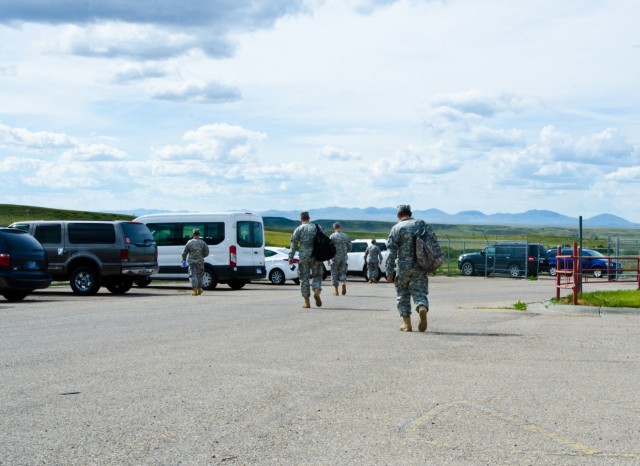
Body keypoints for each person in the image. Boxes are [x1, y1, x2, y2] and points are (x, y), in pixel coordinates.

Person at [385, 205, 429, 332]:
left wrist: (389, 272)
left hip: (403, 268)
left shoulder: (396, 228)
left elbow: (390, 252)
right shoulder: (421, 225)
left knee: (403, 294)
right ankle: (422, 307)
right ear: (410, 213)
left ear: (398, 215)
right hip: (420, 266)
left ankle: (407, 324)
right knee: (419, 291)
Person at [289, 211, 324, 308]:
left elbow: (293, 245)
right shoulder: (318, 227)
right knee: (317, 275)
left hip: (304, 256)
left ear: (301, 219)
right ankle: (316, 289)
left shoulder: (298, 229)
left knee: (304, 278)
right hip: (316, 255)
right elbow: (324, 240)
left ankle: (306, 301)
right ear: (309, 218)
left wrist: (290, 258)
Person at [181, 228, 209, 296]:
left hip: (192, 261)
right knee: (200, 275)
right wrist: (202, 257)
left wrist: (183, 260)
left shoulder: (189, 242)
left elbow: (184, 253)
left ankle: (195, 290)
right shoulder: (202, 242)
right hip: (200, 261)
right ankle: (199, 289)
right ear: (199, 235)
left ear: (193, 234)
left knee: (193, 275)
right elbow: (207, 252)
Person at [329, 222, 352, 296]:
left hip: (335, 257)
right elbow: (350, 247)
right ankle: (343, 282)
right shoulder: (346, 236)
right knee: (342, 272)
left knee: (334, 273)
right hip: (344, 257)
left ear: (334, 228)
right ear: (340, 227)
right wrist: (344, 252)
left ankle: (336, 290)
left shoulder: (332, 236)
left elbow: (329, 247)